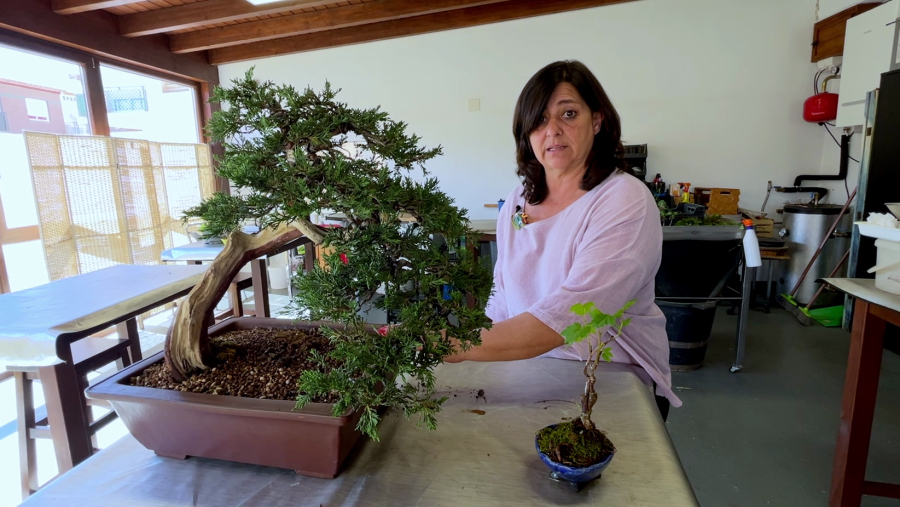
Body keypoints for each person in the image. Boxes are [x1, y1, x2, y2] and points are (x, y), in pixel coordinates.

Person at [445, 60, 681, 418]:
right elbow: (503, 292)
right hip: (528, 368)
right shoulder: (516, 201)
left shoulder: (623, 199)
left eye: (568, 114)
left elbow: (573, 315)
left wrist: (460, 344)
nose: (552, 130)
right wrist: (485, 356)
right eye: (538, 120)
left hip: (608, 378)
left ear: (597, 120)